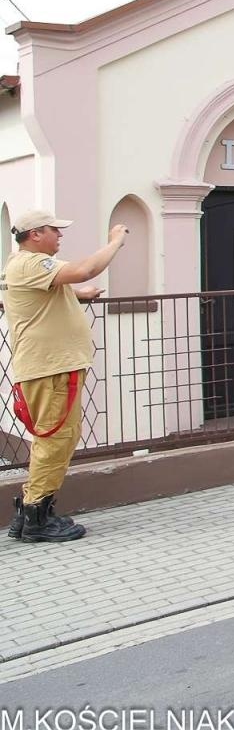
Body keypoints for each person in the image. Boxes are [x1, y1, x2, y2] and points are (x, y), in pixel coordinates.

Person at [5, 211, 127, 543]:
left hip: (52, 368)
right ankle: (37, 518)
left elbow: (38, 299)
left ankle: (29, 513)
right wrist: (116, 241)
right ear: (34, 234)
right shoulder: (31, 263)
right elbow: (85, 269)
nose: (60, 235)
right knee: (55, 440)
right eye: (54, 230)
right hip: (51, 370)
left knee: (56, 439)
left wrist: (77, 295)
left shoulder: (23, 266)